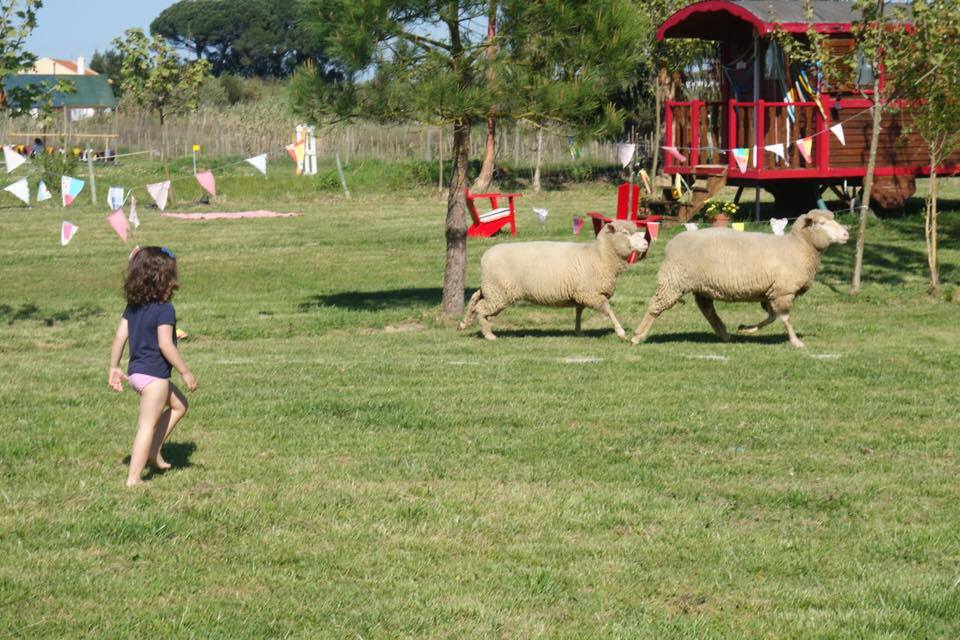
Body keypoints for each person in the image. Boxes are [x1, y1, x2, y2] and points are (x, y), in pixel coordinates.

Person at [108, 246, 197, 487]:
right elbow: (166, 345)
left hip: (137, 373)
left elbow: (119, 337)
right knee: (146, 426)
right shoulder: (165, 309)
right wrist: (185, 372)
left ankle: (154, 451)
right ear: (163, 279)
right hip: (154, 378)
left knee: (179, 405)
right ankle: (134, 478)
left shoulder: (133, 306)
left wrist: (114, 367)